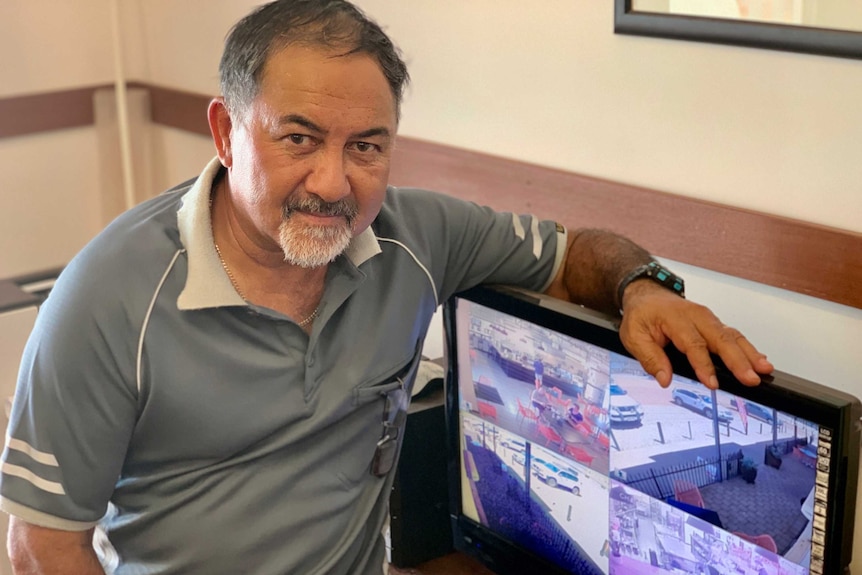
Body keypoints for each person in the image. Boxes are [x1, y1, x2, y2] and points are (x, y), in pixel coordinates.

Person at [0, 1, 772, 574]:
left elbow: (574, 254)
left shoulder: (418, 238)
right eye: (298, 138)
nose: (333, 181)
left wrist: (645, 286)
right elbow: (40, 543)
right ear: (226, 134)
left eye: (366, 146)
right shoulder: (107, 296)